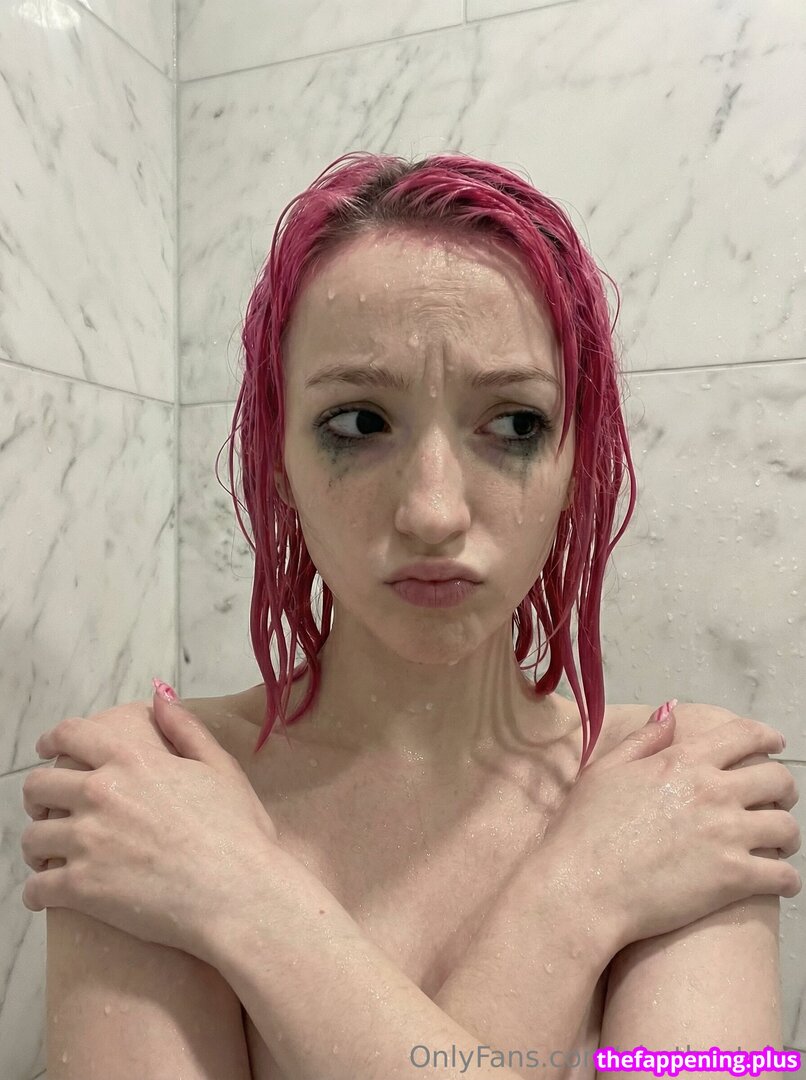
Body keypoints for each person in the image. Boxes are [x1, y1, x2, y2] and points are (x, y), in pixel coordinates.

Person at [40, 152, 799, 1079]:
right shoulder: (147, 790)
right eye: (359, 423)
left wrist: (240, 899)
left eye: (515, 424)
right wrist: (578, 905)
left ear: (578, 463)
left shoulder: (684, 788)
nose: (433, 513)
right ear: (276, 460)